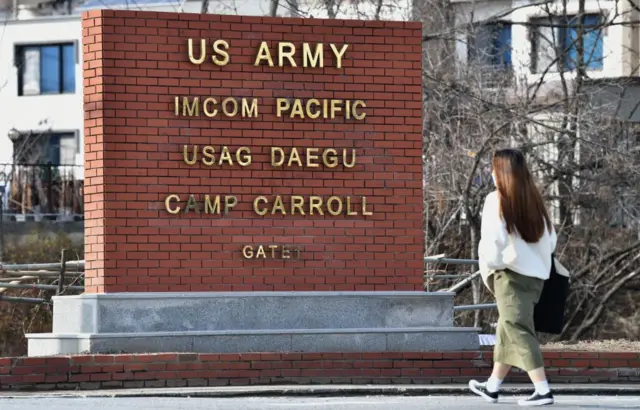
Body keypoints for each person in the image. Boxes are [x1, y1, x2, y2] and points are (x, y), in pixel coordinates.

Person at [469, 148, 557, 407]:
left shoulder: (495, 199)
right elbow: (551, 240)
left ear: (502, 172)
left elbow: (491, 243)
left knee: (518, 330)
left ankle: (543, 390)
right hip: (536, 278)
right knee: (508, 330)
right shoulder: (534, 200)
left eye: (493, 168)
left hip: (509, 276)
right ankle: (492, 387)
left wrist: (493, 266)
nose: (490, 172)